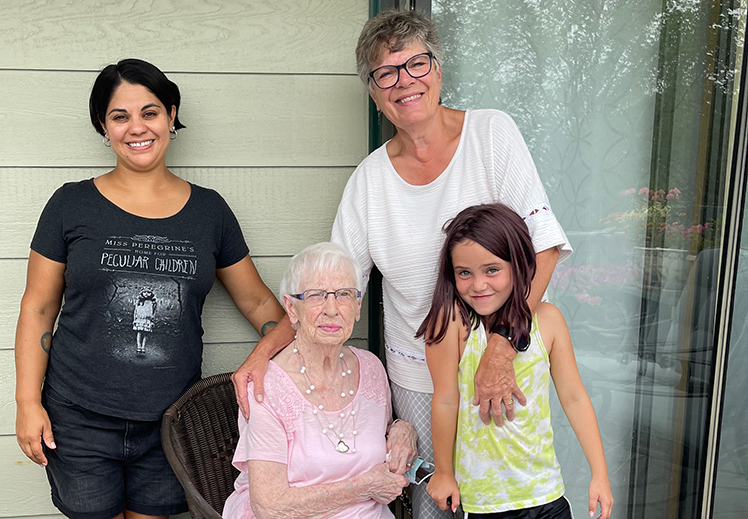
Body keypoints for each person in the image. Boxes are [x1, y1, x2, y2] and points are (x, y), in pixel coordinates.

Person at [233, 10, 571, 518]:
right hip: (418, 381)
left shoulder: (491, 135)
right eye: (385, 73)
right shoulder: (369, 183)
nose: (404, 82)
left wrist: (502, 345)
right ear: (374, 92)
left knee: (505, 504)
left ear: (438, 69)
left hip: (500, 366)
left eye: (416, 64)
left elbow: (542, 248)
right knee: (437, 506)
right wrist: (263, 353)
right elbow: (331, 290)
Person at [14, 58, 290, 519]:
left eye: (150, 112)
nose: (136, 127)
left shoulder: (210, 212)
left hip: (170, 420)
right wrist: (26, 402)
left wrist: (264, 355)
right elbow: (38, 309)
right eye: (119, 116)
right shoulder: (70, 203)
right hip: (76, 418)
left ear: (171, 115)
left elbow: (261, 302)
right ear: (103, 125)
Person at [419, 204, 613, 518]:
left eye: (492, 270)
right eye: (464, 273)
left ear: (518, 265)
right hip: (486, 503)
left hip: (546, 494)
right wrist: (443, 472)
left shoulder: (548, 321)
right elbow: (444, 400)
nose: (478, 285)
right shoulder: (452, 323)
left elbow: (574, 396)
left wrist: (599, 473)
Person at [223, 242, 418, 519]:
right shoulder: (267, 390)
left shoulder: (371, 369)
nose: (331, 309)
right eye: (315, 296)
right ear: (291, 308)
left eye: (344, 295)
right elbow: (270, 506)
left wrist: (402, 429)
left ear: (358, 306)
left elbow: (381, 433)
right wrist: (362, 487)